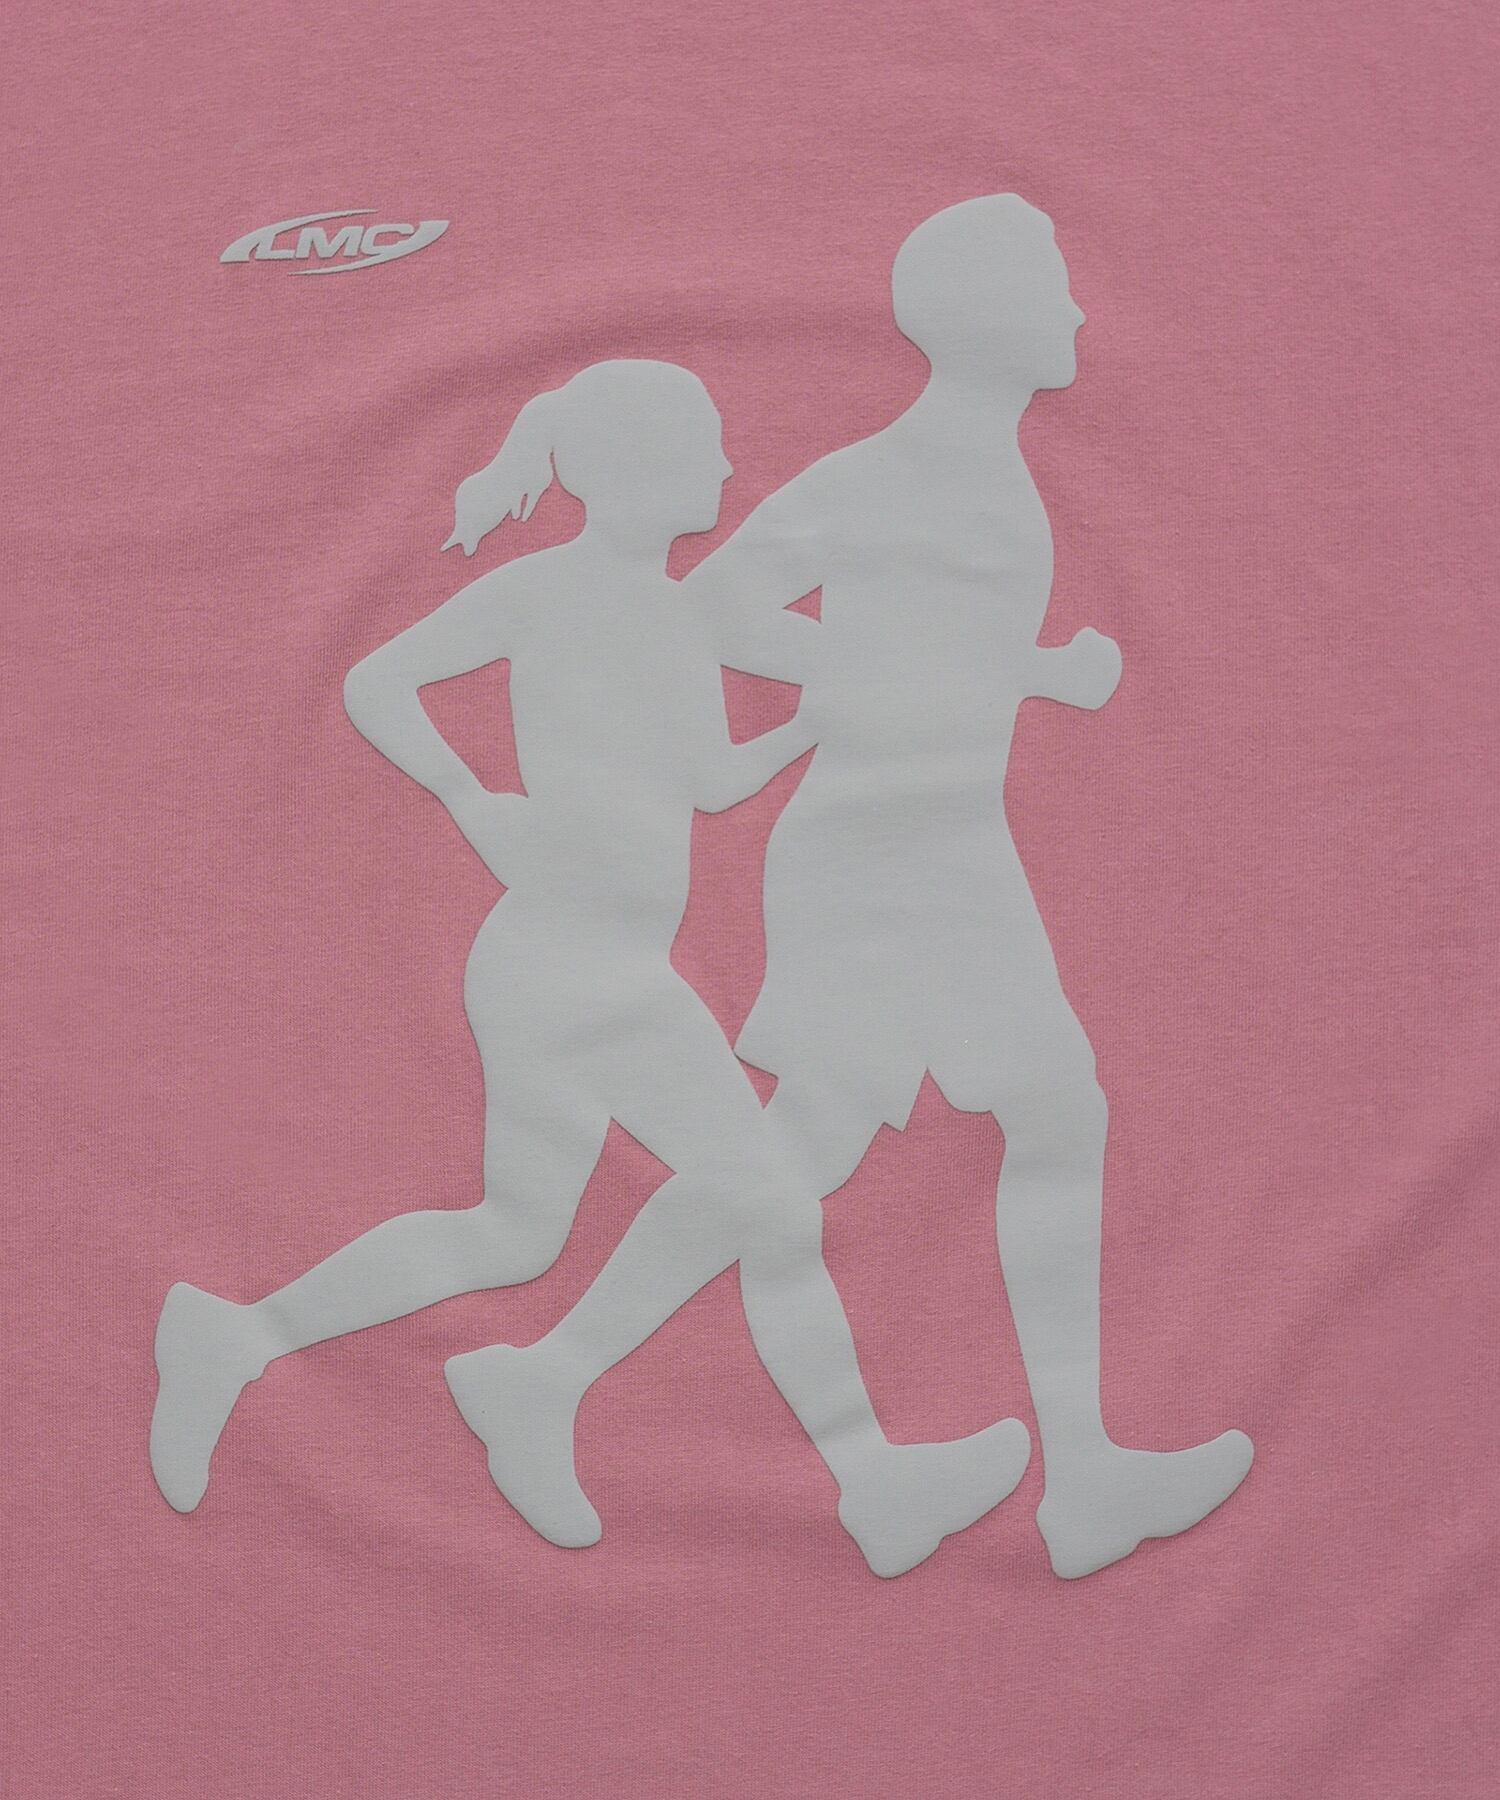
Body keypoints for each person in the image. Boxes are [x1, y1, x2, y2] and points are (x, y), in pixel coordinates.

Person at [451, 198, 1253, 1580]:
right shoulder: (892, 470)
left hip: (944, 848)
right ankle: (551, 1377)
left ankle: (1078, 1476)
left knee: (957, 1125)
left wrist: (1037, 675)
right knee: (910, 1132)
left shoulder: (984, 472)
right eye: (1054, 287)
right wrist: (873, 680)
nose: (1078, 312)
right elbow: (721, 609)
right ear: (986, 319)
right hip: (877, 859)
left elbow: (931, 646)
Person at [150, 357, 1031, 1578]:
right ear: (643, 469)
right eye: (708, 448)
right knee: (769, 1201)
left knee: (517, 1233)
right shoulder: (542, 591)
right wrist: (473, 801)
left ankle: (243, 1337)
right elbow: (376, 679)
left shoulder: (674, 618)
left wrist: (809, 727)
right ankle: (864, 1479)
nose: (728, 467)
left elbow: (706, 785)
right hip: (576, 966)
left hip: (577, 966)